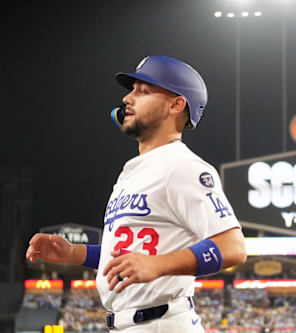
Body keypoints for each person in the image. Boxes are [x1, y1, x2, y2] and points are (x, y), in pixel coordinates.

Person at [26, 56, 247, 332]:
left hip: (161, 323)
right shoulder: (134, 170)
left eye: (142, 91)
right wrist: (75, 253)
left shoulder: (183, 167)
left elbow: (233, 248)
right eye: (131, 90)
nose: (128, 99)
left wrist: (159, 264)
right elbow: (133, 254)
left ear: (176, 104)